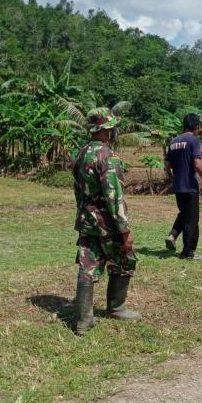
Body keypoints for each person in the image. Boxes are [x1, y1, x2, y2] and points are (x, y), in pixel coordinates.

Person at [72, 107, 139, 335]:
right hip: (106, 222)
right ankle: (116, 307)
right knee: (125, 258)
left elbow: (78, 191)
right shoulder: (107, 157)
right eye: (111, 128)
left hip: (86, 220)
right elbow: (114, 197)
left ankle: (83, 319)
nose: (114, 132)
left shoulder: (81, 153)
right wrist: (124, 230)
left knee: (87, 266)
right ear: (105, 130)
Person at [164, 113, 202, 259]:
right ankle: (188, 252)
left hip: (178, 186)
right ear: (196, 126)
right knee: (192, 220)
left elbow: (167, 165)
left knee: (185, 213)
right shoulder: (193, 140)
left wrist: (175, 172)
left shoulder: (173, 141)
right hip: (190, 186)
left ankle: (173, 235)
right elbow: (198, 164)